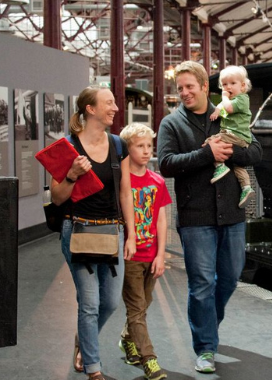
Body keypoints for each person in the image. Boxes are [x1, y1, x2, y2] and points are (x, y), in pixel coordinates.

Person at [157, 61, 262, 374]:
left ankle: (208, 329)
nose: (185, 93)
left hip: (232, 213)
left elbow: (255, 151)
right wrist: (206, 155)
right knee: (202, 284)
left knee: (229, 278)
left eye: (190, 87)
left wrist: (226, 152)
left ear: (205, 87)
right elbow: (165, 163)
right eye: (180, 89)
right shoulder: (171, 124)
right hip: (195, 217)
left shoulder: (228, 113)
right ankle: (205, 347)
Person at [50, 85, 136, 380]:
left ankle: (83, 344)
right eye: (109, 103)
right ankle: (93, 367)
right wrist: (72, 174)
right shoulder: (67, 146)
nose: (115, 108)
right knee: (89, 303)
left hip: (112, 231)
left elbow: (126, 193)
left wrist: (132, 235)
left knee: (110, 302)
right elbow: (58, 197)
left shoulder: (118, 145)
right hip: (77, 230)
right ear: (91, 109)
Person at [116, 123, 171, 380]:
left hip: (151, 255)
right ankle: (149, 359)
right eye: (140, 146)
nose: (147, 151)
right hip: (130, 256)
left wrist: (161, 254)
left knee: (144, 305)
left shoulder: (157, 181)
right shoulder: (121, 180)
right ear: (128, 148)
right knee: (136, 309)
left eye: (150, 146)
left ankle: (127, 340)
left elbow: (161, 220)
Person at [207, 65, 255, 208]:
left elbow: (227, 107)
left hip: (235, 135)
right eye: (224, 84)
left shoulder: (242, 99)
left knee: (211, 142)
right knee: (237, 166)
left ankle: (220, 166)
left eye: (233, 83)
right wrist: (216, 111)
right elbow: (222, 107)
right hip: (239, 138)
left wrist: (223, 96)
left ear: (243, 86)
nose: (228, 87)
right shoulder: (232, 99)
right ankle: (246, 187)